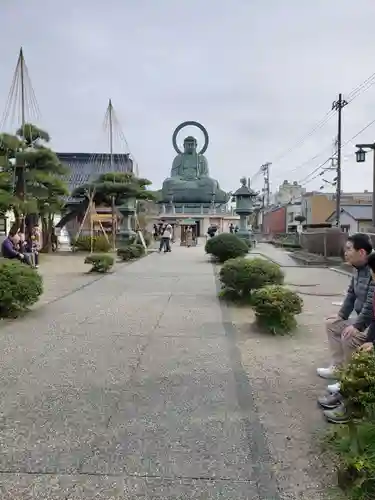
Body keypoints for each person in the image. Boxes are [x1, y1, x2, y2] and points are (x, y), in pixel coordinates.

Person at [317, 234, 374, 422]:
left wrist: (359, 327)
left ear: (362, 251)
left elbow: (370, 306)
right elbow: (351, 294)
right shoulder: (357, 269)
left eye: (349, 248)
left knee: (349, 336)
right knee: (334, 324)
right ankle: (340, 370)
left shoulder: (372, 269)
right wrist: (342, 315)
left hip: (367, 323)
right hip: (366, 323)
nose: (345, 252)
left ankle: (349, 388)